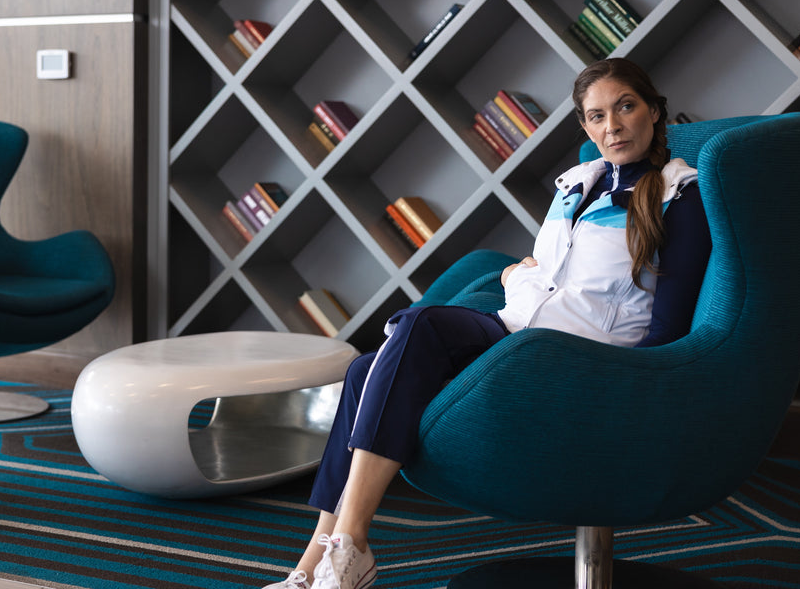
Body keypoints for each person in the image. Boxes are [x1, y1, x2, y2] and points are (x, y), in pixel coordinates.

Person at [261, 58, 712, 589]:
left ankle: (353, 544)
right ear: (584, 126)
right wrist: (518, 273)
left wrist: (631, 386)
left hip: (582, 354)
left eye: (625, 107)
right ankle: (311, 566)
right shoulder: (576, 184)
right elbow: (559, 271)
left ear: (655, 112)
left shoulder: (678, 195)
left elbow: (669, 325)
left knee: (420, 327)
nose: (611, 125)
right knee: (365, 369)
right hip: (519, 330)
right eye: (595, 116)